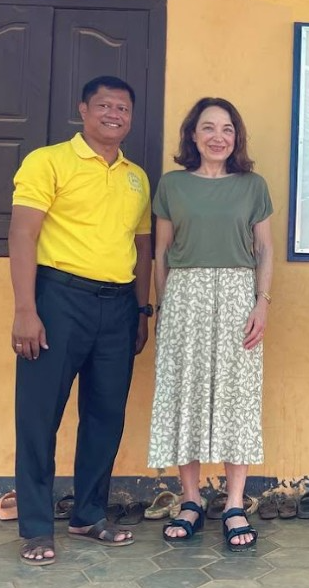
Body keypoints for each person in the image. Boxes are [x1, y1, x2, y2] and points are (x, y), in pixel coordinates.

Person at [9, 76, 152, 565]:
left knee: (105, 415)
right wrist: (25, 309)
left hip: (118, 305)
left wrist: (141, 309)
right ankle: (35, 527)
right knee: (39, 415)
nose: (114, 114)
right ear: (84, 110)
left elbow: (142, 247)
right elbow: (23, 234)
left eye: (123, 108)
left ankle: (89, 515)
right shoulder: (48, 161)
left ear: (131, 117)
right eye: (104, 105)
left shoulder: (136, 177)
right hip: (58, 299)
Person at [148, 97, 273, 552]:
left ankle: (235, 503)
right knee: (186, 394)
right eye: (208, 127)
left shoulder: (253, 185)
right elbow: (162, 252)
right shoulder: (173, 184)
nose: (218, 136)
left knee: (237, 397)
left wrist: (262, 302)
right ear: (193, 135)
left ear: (236, 137)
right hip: (185, 297)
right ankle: (191, 499)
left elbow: (264, 249)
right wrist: (165, 308)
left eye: (227, 129)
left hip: (239, 297)